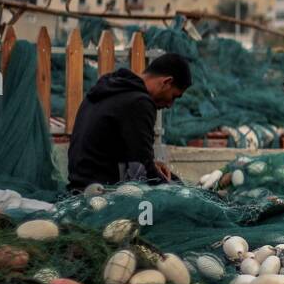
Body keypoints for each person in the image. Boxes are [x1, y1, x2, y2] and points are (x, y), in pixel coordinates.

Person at [67, 52, 191, 190]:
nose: (169, 105)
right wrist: (179, 190)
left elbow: (120, 150)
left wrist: (152, 164)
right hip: (103, 194)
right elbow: (143, 169)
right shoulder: (139, 102)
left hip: (79, 188)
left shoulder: (108, 89)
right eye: (174, 96)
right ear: (166, 82)